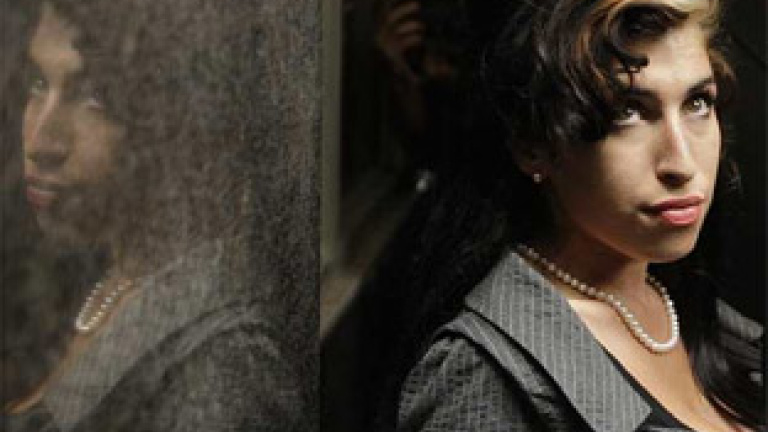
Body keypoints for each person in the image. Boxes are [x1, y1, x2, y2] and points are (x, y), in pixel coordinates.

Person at [381, 0, 764, 430]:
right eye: (627, 111)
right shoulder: (485, 378)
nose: (682, 163)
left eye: (697, 102)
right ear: (533, 145)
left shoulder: (685, 311)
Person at [2, 0, 314, 430]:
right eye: (38, 83)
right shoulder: (97, 274)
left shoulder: (222, 374)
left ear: (182, 120)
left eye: (95, 97)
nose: (40, 142)